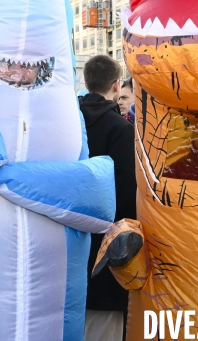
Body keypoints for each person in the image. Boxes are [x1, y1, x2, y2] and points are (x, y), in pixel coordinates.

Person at [79, 56, 136, 341]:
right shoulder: (121, 130)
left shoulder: (67, 125)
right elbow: (127, 194)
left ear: (86, 82)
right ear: (116, 85)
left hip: (62, 253)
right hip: (106, 254)